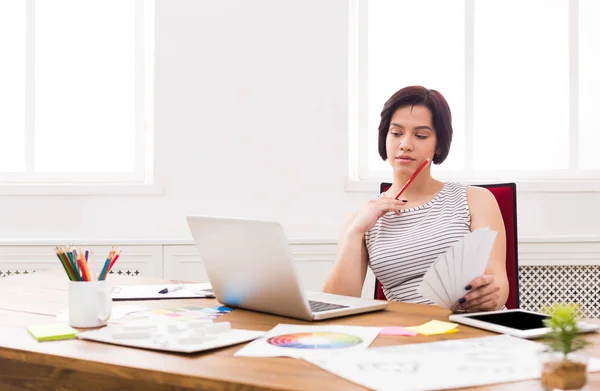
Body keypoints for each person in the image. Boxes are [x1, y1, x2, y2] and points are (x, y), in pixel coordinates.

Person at [323, 86, 508, 312]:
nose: (405, 144)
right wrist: (356, 232)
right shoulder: (361, 220)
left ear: (438, 144)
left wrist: (491, 295)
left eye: (420, 135)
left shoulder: (476, 200)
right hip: (407, 336)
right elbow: (336, 305)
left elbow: (498, 282)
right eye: (396, 133)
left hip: (472, 328)